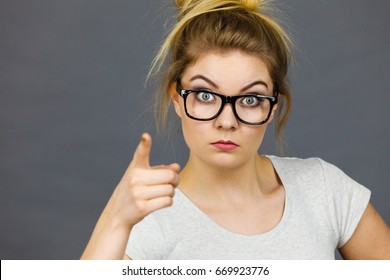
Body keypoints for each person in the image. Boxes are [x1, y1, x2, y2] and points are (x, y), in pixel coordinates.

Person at [81, 0, 390, 259]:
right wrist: (114, 220)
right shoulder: (147, 224)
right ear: (176, 99)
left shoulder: (323, 190)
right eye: (205, 95)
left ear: (272, 109)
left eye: (251, 99)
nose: (227, 121)